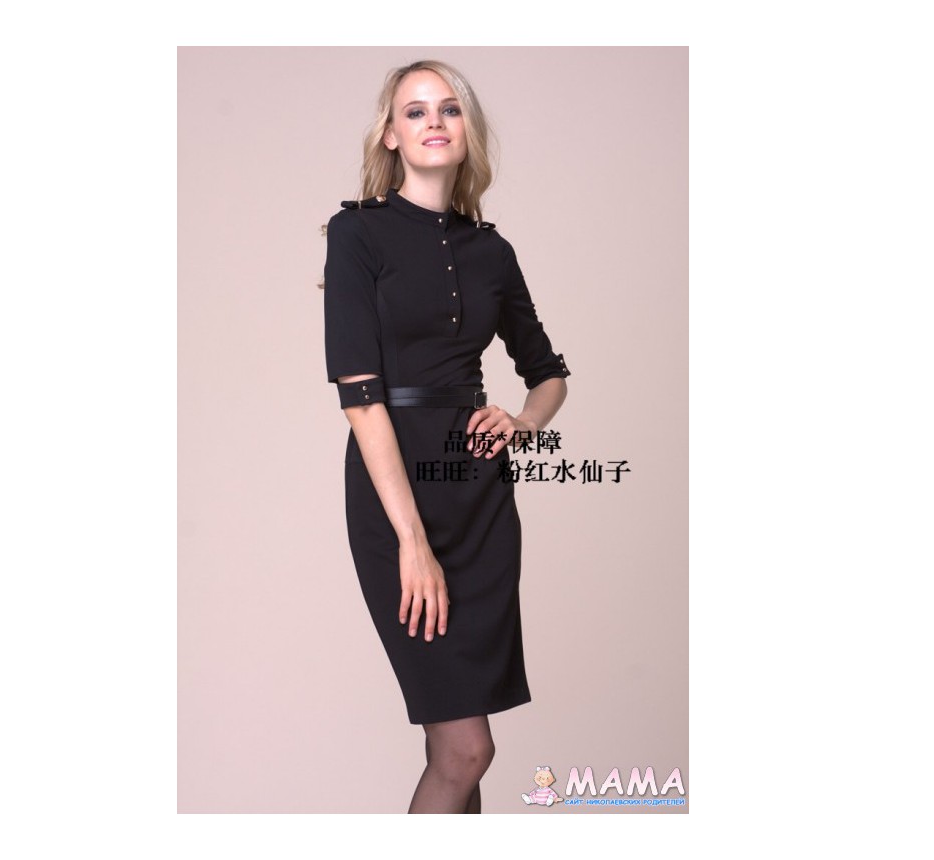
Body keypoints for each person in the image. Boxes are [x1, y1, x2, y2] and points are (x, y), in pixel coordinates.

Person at [322, 60, 572, 814]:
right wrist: (412, 541)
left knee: (456, 751)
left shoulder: (493, 251)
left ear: (467, 130)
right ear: (391, 135)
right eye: (415, 110)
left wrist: (523, 422)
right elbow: (361, 401)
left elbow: (548, 374)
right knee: (468, 749)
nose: (434, 120)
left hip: (481, 499)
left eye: (449, 109)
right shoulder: (357, 233)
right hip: (399, 498)